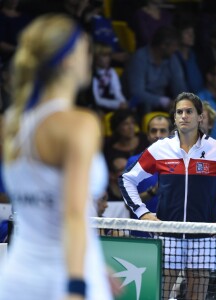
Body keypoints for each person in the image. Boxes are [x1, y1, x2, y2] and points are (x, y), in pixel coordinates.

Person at [0, 14, 117, 300]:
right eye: (85, 49)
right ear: (67, 60)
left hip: (17, 280)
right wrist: (76, 286)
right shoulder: (80, 124)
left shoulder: (8, 124)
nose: (89, 58)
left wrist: (94, 261)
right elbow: (73, 214)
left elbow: (42, 208)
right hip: (66, 281)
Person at [119, 92, 216, 300]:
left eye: (189, 111)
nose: (184, 116)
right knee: (162, 293)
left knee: (197, 295)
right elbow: (127, 179)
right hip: (168, 234)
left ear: (200, 117)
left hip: (204, 235)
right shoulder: (160, 149)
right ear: (174, 118)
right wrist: (142, 213)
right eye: (179, 112)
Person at [122, 25, 187, 114]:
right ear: (163, 46)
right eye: (174, 46)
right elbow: (136, 92)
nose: (175, 49)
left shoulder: (172, 58)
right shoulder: (139, 58)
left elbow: (179, 86)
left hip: (162, 107)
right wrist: (164, 101)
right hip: (138, 106)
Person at [91, 42, 127, 112]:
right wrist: (117, 105)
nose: (107, 59)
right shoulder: (92, 75)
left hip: (111, 105)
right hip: (95, 108)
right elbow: (96, 100)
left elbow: (117, 92)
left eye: (108, 56)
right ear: (96, 57)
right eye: (104, 56)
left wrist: (123, 102)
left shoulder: (111, 71)